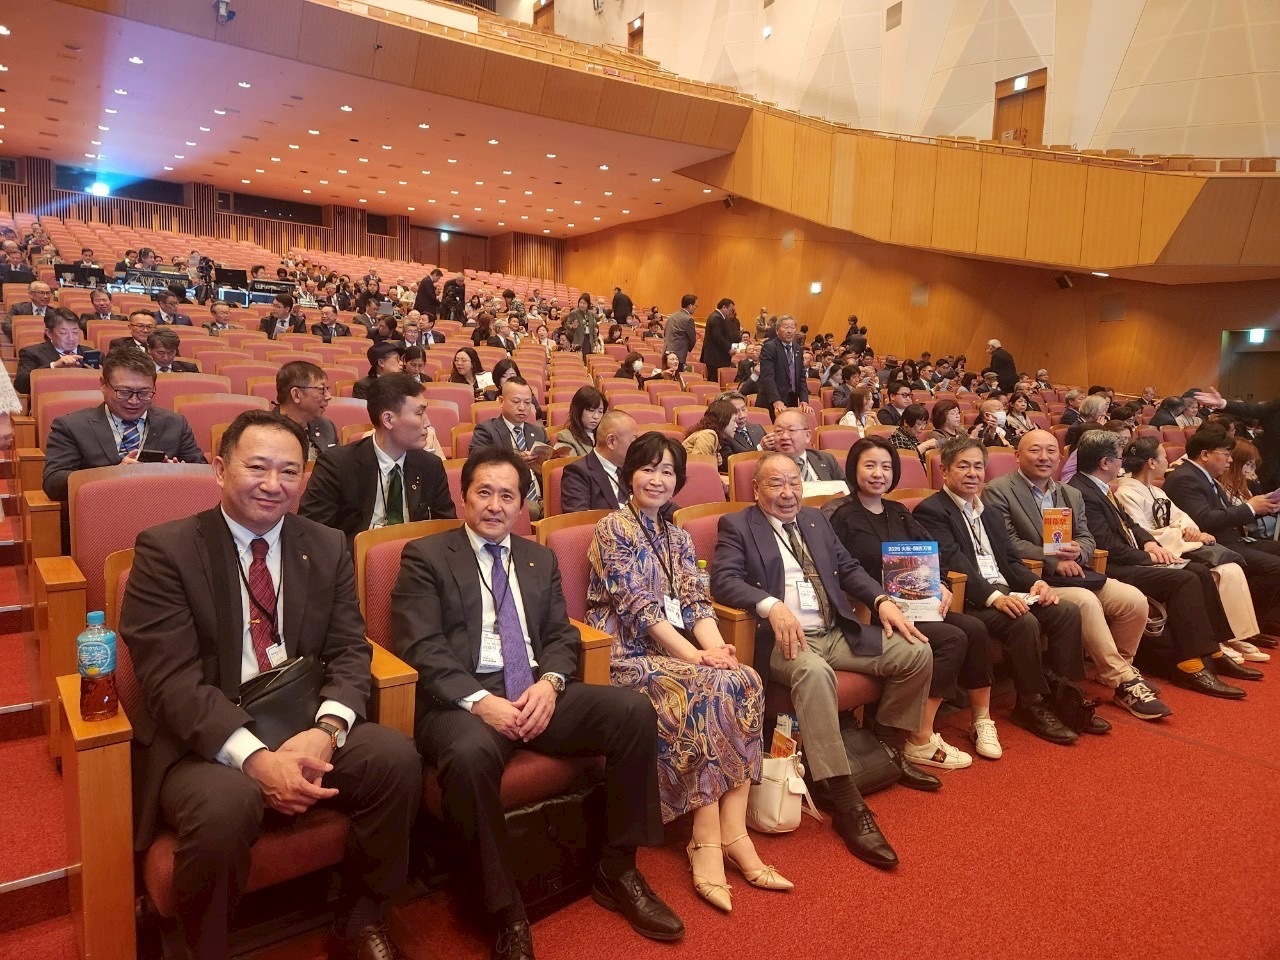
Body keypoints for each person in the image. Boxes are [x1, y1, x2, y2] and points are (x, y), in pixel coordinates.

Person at [119, 410, 422, 960]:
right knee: (225, 806)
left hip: (302, 717)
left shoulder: (326, 544)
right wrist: (256, 759)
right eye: (257, 467)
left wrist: (327, 731)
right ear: (220, 469)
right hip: (206, 736)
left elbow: (350, 649)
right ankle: (203, 948)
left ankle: (360, 917)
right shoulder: (167, 550)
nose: (273, 484)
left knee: (394, 758)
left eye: (289, 471)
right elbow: (169, 681)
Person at [392, 448, 684, 957]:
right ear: (464, 497)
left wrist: (550, 684)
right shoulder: (426, 555)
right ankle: (504, 910)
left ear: (522, 504)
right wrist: (480, 701)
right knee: (468, 756)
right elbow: (421, 645)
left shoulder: (537, 557)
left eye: (508, 495)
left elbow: (560, 634)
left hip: (533, 688)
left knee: (633, 712)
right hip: (461, 699)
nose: (496, 505)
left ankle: (618, 868)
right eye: (485, 492)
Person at [712, 453, 940, 870]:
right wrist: (769, 605)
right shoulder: (738, 525)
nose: (788, 493)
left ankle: (888, 749)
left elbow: (848, 568)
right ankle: (845, 798)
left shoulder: (815, 519)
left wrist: (881, 600)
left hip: (835, 631)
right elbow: (723, 580)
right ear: (756, 489)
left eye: (793, 483)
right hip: (785, 641)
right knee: (816, 674)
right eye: (776, 484)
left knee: (915, 652)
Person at [589, 434, 784, 908]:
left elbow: (696, 603)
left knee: (745, 679)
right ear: (629, 474)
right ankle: (705, 836)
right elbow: (640, 610)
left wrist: (717, 650)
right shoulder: (612, 528)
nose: (657, 480)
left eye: (667, 471)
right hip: (625, 656)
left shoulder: (677, 536)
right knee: (709, 687)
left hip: (677, 655)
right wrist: (697, 658)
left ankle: (735, 833)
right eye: (648, 469)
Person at [827, 438, 999, 761]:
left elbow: (933, 554)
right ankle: (920, 737)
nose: (878, 474)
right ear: (853, 469)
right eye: (869, 465)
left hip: (916, 604)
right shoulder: (841, 516)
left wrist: (942, 583)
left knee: (975, 629)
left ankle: (981, 720)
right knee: (951, 638)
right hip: (872, 612)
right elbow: (839, 572)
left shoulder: (899, 512)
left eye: (886, 467)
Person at [913, 438, 1086, 745]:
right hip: (972, 598)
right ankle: (1030, 704)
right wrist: (995, 598)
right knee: (1023, 621)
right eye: (963, 466)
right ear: (944, 470)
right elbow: (954, 562)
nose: (972, 473)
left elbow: (1009, 560)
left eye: (978, 466)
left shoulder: (989, 512)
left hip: (1007, 591)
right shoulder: (932, 511)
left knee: (1066, 611)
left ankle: (1064, 697)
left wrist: (1034, 583)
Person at [1068, 431, 1255, 700]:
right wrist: (1149, 558)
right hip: (1109, 566)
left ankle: (1212, 650)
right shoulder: (1082, 491)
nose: (1123, 463)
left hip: (1128, 558)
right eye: (1119, 458)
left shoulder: (1099, 486)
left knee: (1199, 571)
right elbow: (1106, 545)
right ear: (1105, 463)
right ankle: (1190, 664)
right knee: (1184, 579)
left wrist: (1150, 543)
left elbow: (1130, 525)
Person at [1115, 437, 1272, 658]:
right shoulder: (1125, 493)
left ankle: (1237, 636)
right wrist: (1181, 533)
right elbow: (1141, 533)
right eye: (1163, 456)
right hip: (1163, 552)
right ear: (1151, 462)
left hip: (1180, 545)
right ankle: (1218, 639)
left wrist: (1191, 530)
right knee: (1215, 573)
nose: (1168, 460)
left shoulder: (1156, 491)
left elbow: (1181, 518)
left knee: (1231, 569)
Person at [299, 374, 454, 550]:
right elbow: (312, 534)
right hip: (353, 561)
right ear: (388, 420)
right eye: (419, 413)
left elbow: (446, 530)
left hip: (418, 561)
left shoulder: (430, 465)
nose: (428, 423)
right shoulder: (337, 465)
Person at [42, 349, 206, 501]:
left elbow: (203, 473)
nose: (134, 401)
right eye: (124, 392)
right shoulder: (72, 426)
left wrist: (179, 473)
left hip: (164, 508)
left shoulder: (175, 424)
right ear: (103, 384)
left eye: (144, 393)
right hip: (102, 510)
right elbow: (54, 484)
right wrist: (114, 475)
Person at [1160, 427, 1280, 633]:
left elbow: (1226, 513)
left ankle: (1270, 619)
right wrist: (1250, 508)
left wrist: (1263, 508)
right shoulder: (1185, 478)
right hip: (1214, 545)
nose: (1230, 460)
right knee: (1276, 567)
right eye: (1226, 454)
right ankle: (1249, 625)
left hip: (1233, 540)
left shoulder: (1204, 476)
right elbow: (1204, 519)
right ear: (1205, 454)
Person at [471, 377, 552, 521]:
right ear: (501, 401)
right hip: (506, 496)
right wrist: (514, 460)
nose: (522, 407)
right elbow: (476, 460)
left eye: (527, 403)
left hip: (542, 496)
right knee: (533, 509)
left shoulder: (539, 432)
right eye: (516, 401)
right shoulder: (487, 430)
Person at [560, 410, 638, 513]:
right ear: (611, 441)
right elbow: (579, 519)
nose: (637, 447)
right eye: (633, 442)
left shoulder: (634, 469)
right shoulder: (577, 473)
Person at [15, 308, 96, 393]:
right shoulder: (31, 353)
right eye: (63, 333)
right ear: (49, 333)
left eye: (75, 332)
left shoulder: (92, 354)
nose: (71, 338)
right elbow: (21, 386)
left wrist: (100, 374)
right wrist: (54, 366)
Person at [274, 360, 337, 461]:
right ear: (296, 395)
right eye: (321, 389)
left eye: (327, 389)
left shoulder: (326, 427)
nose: (328, 396)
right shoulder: (266, 431)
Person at [756, 315, 811, 419]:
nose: (789, 331)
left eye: (792, 327)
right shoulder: (770, 347)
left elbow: (801, 377)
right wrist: (776, 401)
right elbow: (767, 377)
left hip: (792, 400)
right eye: (786, 327)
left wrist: (804, 400)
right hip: (772, 402)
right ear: (777, 331)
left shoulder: (798, 349)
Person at [772, 409, 844, 482]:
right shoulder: (768, 465)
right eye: (779, 431)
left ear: (807, 436)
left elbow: (845, 486)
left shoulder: (826, 459)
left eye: (791, 430)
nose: (784, 436)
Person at [682, 398, 736, 471]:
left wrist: (714, 461)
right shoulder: (708, 435)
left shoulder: (709, 434)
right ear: (723, 420)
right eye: (734, 421)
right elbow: (699, 468)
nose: (736, 425)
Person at [555, 385, 606, 457]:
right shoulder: (566, 438)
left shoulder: (606, 435)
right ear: (578, 411)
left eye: (600, 411)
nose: (596, 416)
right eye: (591, 410)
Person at [720, 390, 773, 457]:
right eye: (736, 412)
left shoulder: (758, 428)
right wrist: (760, 448)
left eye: (743, 409)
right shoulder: (723, 435)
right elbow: (729, 461)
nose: (742, 416)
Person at [701, 298, 739, 382]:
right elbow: (717, 336)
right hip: (716, 358)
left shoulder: (717, 317)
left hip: (716, 357)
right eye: (730, 310)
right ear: (724, 307)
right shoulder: (716, 318)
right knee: (714, 381)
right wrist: (729, 348)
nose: (731, 312)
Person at [662, 294, 698, 367]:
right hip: (678, 355)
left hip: (666, 353)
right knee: (676, 373)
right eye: (696, 306)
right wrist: (687, 348)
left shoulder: (671, 316)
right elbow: (692, 339)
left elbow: (666, 333)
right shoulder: (688, 319)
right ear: (690, 306)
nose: (696, 308)